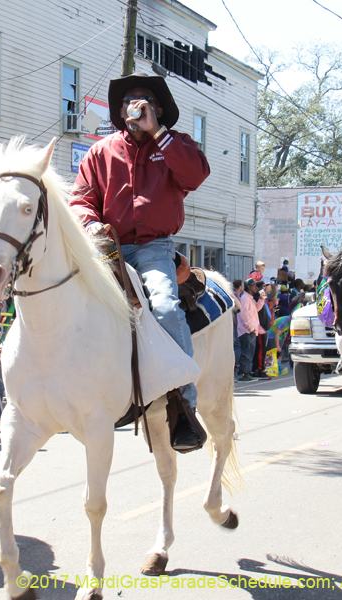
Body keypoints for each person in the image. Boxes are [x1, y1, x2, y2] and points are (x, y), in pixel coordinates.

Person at [69, 72, 210, 452]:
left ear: (158, 110)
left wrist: (159, 133)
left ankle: (183, 405)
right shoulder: (100, 152)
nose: (136, 105)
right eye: (130, 100)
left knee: (164, 307)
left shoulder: (176, 145)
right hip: (106, 247)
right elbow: (80, 199)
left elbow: (195, 175)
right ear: (119, 111)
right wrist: (92, 223)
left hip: (153, 248)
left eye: (145, 101)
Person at [235, 279, 260, 382]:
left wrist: (262, 300)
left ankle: (247, 372)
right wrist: (250, 328)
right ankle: (244, 374)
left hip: (251, 330)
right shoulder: (245, 298)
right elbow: (243, 314)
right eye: (254, 285)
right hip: (247, 331)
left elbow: (256, 309)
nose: (256, 287)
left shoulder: (250, 298)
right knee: (247, 353)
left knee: (250, 353)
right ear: (248, 287)